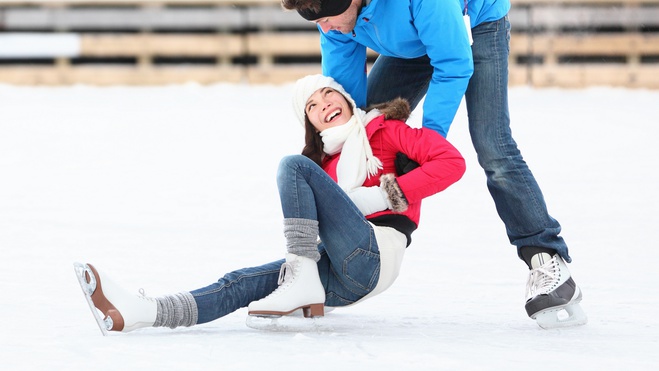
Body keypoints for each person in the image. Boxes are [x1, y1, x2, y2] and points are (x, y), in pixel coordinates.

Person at [74, 74, 466, 334]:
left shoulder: (387, 130)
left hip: (377, 252)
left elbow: (452, 163)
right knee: (241, 282)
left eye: (328, 92)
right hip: (346, 280)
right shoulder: (323, 168)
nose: (324, 103)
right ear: (312, 124)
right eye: (311, 105)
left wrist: (384, 195)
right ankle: (145, 312)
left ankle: (301, 277)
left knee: (292, 166)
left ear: (345, 97)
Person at [281, 0, 587, 328]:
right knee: (365, 128)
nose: (324, 28)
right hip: (411, 45)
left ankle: (547, 260)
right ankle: (348, 248)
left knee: (494, 148)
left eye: (328, 19)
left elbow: (452, 63)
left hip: (476, 27)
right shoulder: (331, 18)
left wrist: (426, 146)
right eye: (318, 22)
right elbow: (350, 107)